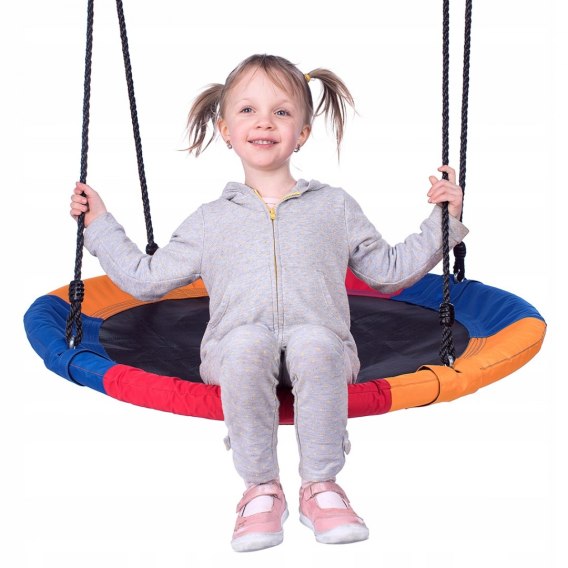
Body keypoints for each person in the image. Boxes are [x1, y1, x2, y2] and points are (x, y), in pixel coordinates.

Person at [70, 54, 467, 552]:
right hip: (232, 351)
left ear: (302, 133)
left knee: (316, 342)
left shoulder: (335, 207)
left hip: (324, 348)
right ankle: (260, 490)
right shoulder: (211, 219)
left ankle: (321, 487)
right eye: (248, 110)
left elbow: (388, 273)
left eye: (281, 112)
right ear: (225, 130)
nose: (264, 122)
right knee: (247, 344)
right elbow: (145, 280)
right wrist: (99, 225)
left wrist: (443, 221)